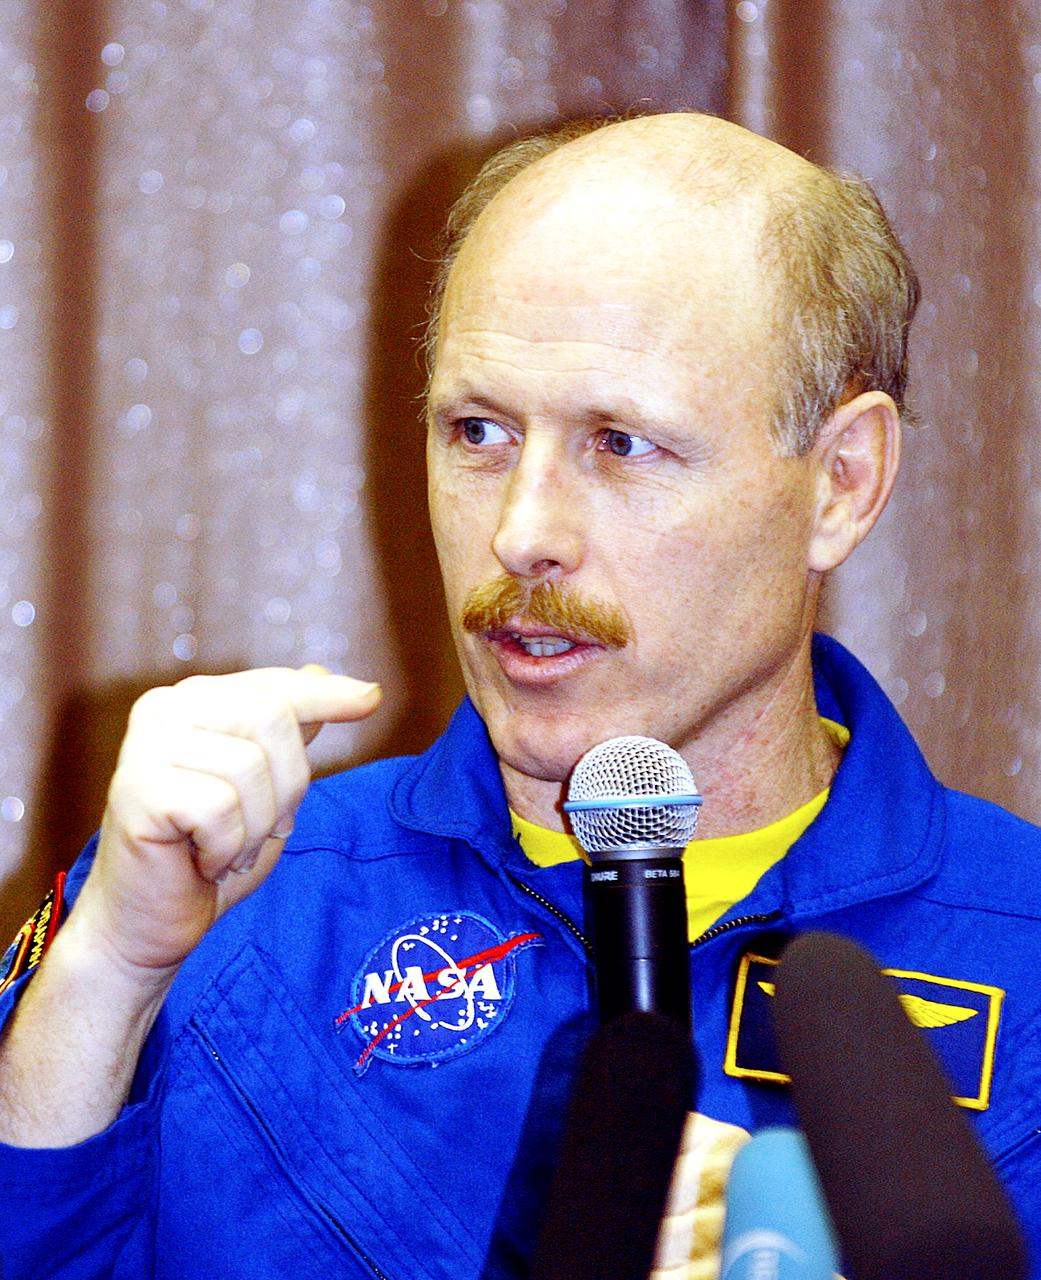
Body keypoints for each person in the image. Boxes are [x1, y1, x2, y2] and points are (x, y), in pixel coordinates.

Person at [0, 111, 1037, 1279]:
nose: (522, 530)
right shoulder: (235, 899)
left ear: (841, 483)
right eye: (479, 430)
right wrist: (106, 975)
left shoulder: (1021, 943)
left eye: (622, 443)